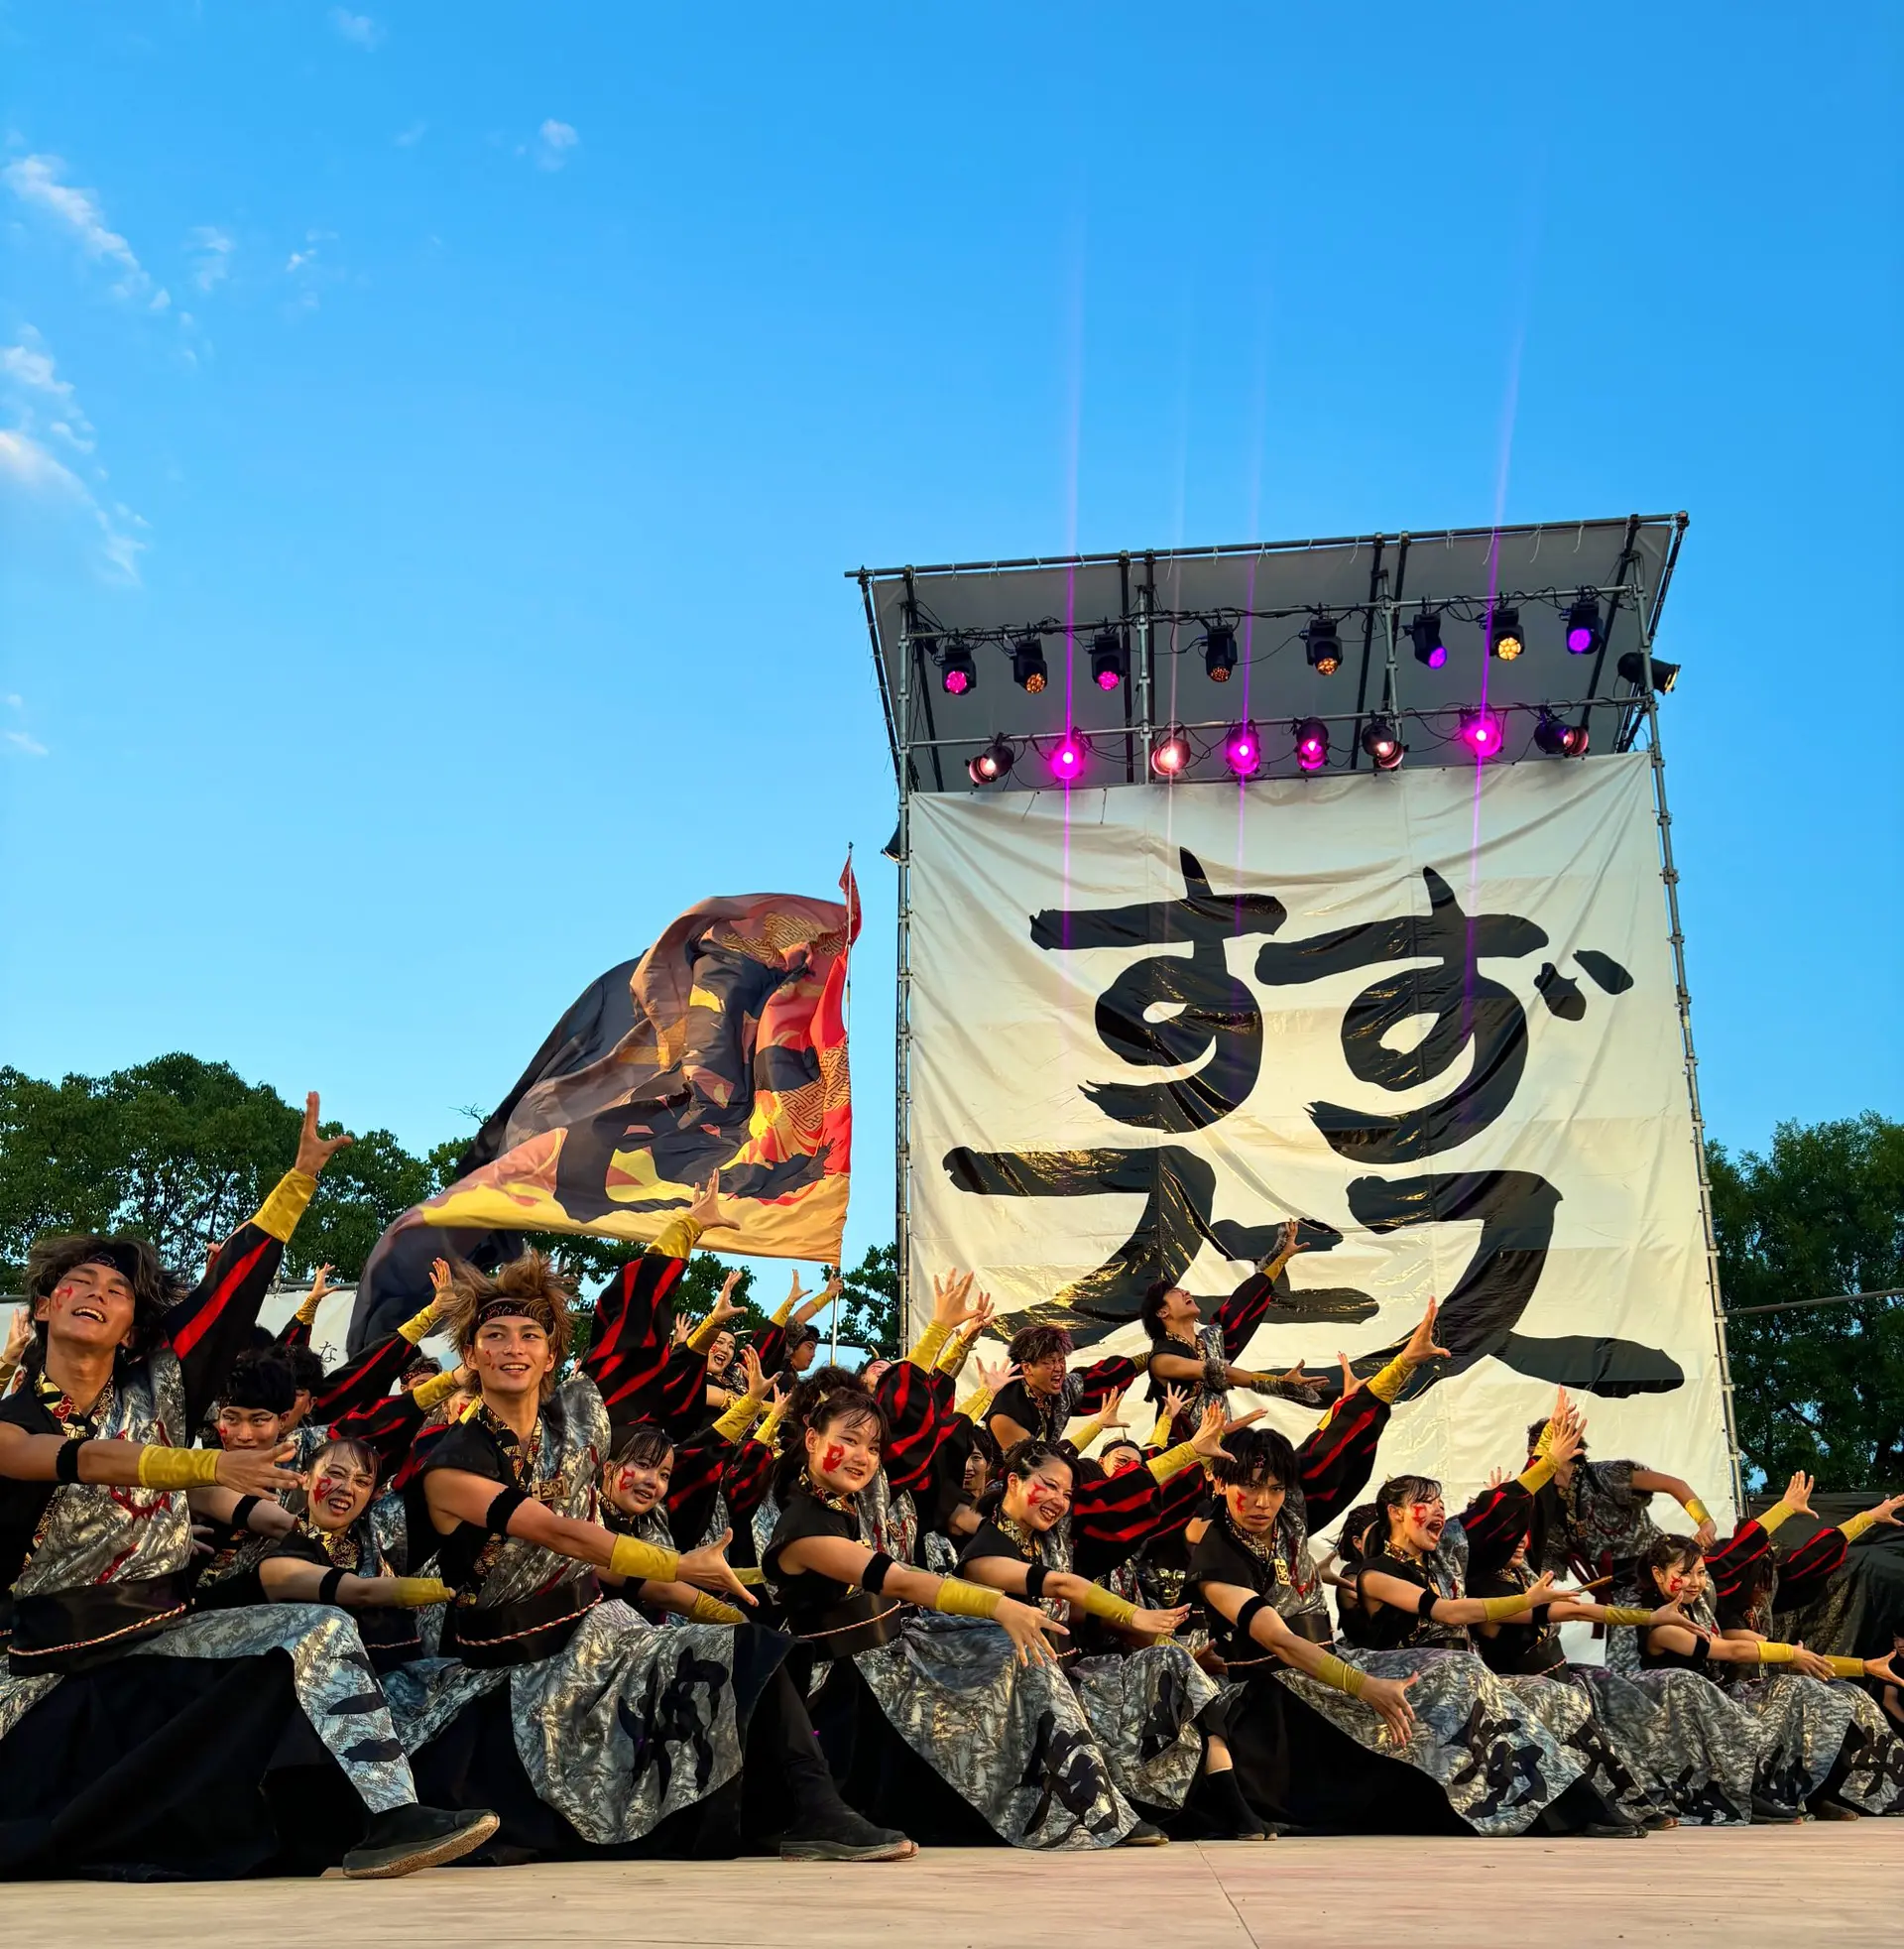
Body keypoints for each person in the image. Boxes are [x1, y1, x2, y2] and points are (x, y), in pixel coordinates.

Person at [0, 1094, 499, 1881]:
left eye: (116, 1289)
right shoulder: (13, 1417)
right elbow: (69, 1458)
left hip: (161, 1630)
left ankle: (392, 1818)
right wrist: (205, 1467)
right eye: (77, 1281)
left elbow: (226, 1298)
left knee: (318, 1628)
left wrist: (297, 1183)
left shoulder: (163, 1384)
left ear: (132, 1329)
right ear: (43, 1305)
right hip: (49, 1657)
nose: (95, 1291)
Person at [388, 1181, 913, 1864]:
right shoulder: (449, 1460)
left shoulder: (574, 1422)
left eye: (529, 1335)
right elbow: (557, 1532)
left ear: (550, 1354)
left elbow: (626, 1343)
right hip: (517, 1665)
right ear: (471, 1355)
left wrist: (683, 1234)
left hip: (599, 1632)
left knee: (752, 1644)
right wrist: (678, 1563)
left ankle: (813, 1812)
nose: (512, 1348)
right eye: (494, 1336)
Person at [764, 1371, 1166, 1849]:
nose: (861, 1457)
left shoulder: (848, 1505)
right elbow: (902, 1579)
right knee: (1008, 1649)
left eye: (872, 1448)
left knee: (1016, 1651)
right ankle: (1068, 1808)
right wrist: (999, 1606)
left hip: (886, 1653)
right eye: (848, 1441)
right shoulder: (804, 1526)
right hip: (838, 1672)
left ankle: (1082, 1804)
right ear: (812, 1439)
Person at [955, 1429, 1269, 1840]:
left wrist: (1169, 1644)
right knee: (1059, 1683)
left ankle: (1230, 1805)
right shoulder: (984, 1551)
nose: (1059, 1501)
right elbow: (1063, 1586)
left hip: (1070, 1672)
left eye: (1067, 1494)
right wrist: (1136, 1614)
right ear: (1014, 1481)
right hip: (1015, 1688)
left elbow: (1082, 1611)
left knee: (1171, 1663)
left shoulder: (1051, 1541)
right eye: (1049, 1486)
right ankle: (1102, 1814)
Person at [1637, 1531, 1904, 1820]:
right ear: (1658, 1574)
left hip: (1720, 1700)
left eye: (1701, 1573)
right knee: (1795, 1690)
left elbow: (1772, 1647)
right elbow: (1731, 1651)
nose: (1696, 1582)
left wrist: (1862, 1667)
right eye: (1684, 1573)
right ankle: (1757, 1795)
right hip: (1682, 1714)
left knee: (1842, 1693)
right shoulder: (1661, 1628)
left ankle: (1821, 1793)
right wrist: (1788, 1655)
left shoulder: (1702, 1612)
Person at [1140, 1218, 1327, 1441]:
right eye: (1175, 1292)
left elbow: (1245, 1302)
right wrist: (1281, 1384)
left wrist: (1282, 1256)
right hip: (1180, 1455)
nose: (1185, 1292)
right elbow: (1222, 1372)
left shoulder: (1210, 1341)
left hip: (1219, 1448)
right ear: (1162, 1312)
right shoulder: (1162, 1359)